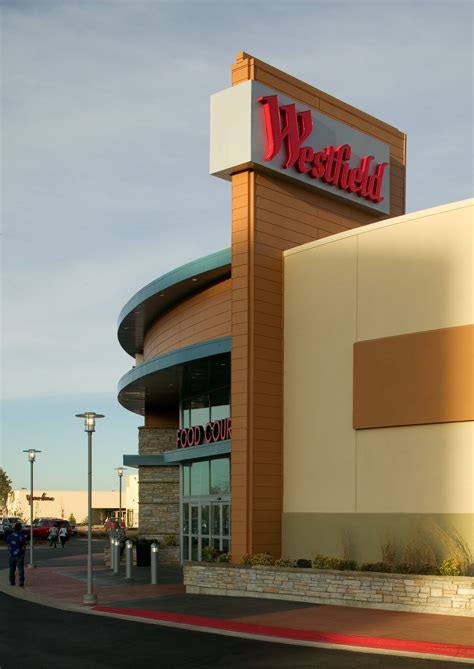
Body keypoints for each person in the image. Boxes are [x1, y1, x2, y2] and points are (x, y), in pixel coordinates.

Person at [7, 522, 27, 587]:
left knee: (12, 569)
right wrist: (23, 554)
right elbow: (23, 547)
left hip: (11, 555)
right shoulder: (21, 536)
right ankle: (21, 581)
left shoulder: (10, 536)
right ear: (20, 529)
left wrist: (10, 552)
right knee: (20, 568)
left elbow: (8, 545)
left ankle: (12, 581)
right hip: (19, 555)